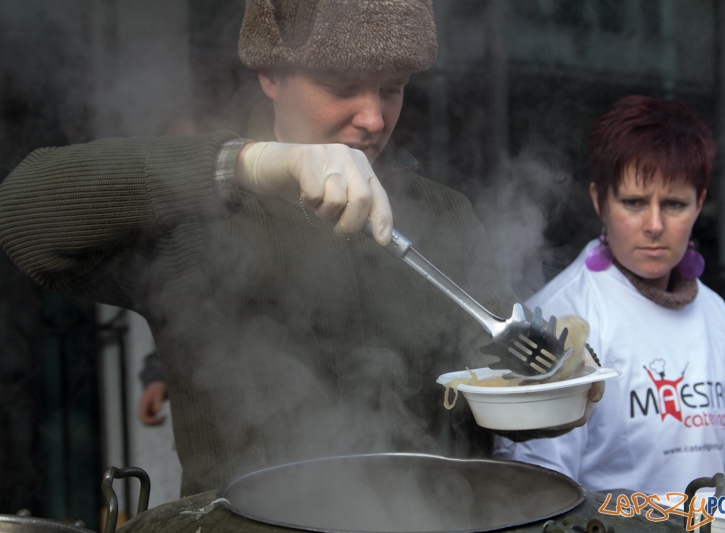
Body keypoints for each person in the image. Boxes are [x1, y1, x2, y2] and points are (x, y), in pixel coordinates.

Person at [0, 0, 597, 497]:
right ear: (270, 75)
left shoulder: (444, 214)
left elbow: (489, 382)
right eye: (342, 87)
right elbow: (22, 211)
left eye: (393, 89)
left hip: (422, 519)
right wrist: (250, 163)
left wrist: (551, 390)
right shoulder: (201, 209)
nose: (373, 117)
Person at [495, 95, 725, 499]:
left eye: (674, 204)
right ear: (598, 199)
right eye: (634, 203)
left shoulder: (714, 312)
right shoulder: (560, 319)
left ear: (700, 203)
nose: (655, 225)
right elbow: (531, 491)